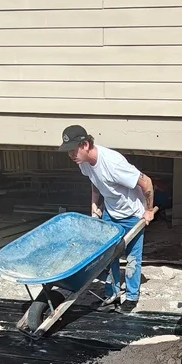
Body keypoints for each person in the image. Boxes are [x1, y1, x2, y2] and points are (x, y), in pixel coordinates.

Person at [58, 125, 157, 312]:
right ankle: (112, 294)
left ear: (85, 144)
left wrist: (149, 210)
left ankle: (132, 297)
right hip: (110, 212)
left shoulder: (113, 163)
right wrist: (95, 204)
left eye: (73, 150)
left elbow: (146, 182)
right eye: (68, 151)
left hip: (132, 214)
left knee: (132, 258)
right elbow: (95, 182)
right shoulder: (84, 162)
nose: (70, 155)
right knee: (108, 256)